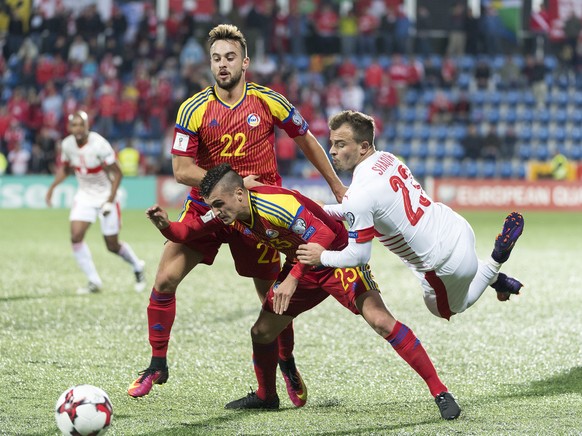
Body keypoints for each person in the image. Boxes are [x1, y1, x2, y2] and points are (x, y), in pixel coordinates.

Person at [127, 24, 347, 401]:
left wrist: (337, 186)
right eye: (216, 58)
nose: (222, 65)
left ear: (245, 61)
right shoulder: (193, 108)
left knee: (274, 297)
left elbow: (306, 139)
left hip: (258, 215)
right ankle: (156, 365)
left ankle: (288, 364)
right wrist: (228, 181)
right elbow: (181, 170)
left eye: (230, 57)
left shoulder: (268, 101)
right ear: (209, 64)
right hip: (206, 208)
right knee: (164, 280)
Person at [146, 163, 461, 420]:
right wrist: (164, 225)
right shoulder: (229, 213)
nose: (216, 211)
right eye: (213, 206)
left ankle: (440, 391)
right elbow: (187, 231)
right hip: (303, 262)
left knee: (379, 320)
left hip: (337, 257)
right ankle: (266, 396)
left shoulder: (275, 206)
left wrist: (293, 277)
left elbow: (324, 231)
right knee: (262, 332)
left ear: (239, 194)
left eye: (219, 204)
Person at [297, 110, 525, 323]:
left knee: (446, 310)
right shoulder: (388, 159)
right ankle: (499, 281)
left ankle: (496, 261)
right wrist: (325, 210)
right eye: (332, 144)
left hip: (443, 266)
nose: (332, 151)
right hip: (456, 228)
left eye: (340, 144)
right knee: (466, 272)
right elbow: (371, 208)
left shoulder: (358, 195)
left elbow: (358, 256)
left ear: (363, 146)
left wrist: (322, 256)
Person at [45, 111, 146, 294]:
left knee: (112, 245)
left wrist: (109, 200)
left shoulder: (99, 144)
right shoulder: (67, 145)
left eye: (81, 125)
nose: (77, 129)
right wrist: (52, 187)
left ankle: (137, 265)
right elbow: (66, 169)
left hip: (106, 195)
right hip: (84, 195)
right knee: (75, 237)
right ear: (69, 127)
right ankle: (94, 281)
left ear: (87, 126)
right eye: (74, 125)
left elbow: (118, 173)